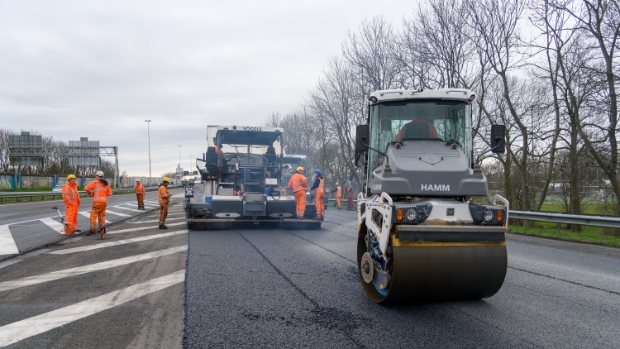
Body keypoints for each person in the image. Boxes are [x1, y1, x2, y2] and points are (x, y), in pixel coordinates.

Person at [84, 170, 112, 239]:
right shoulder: (106, 184)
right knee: (102, 215)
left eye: (95, 176)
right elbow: (109, 193)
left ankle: (93, 230)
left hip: (97, 202)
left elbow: (86, 188)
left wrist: (90, 193)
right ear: (102, 176)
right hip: (104, 202)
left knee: (93, 216)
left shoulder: (95, 182)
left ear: (97, 176)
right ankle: (101, 229)